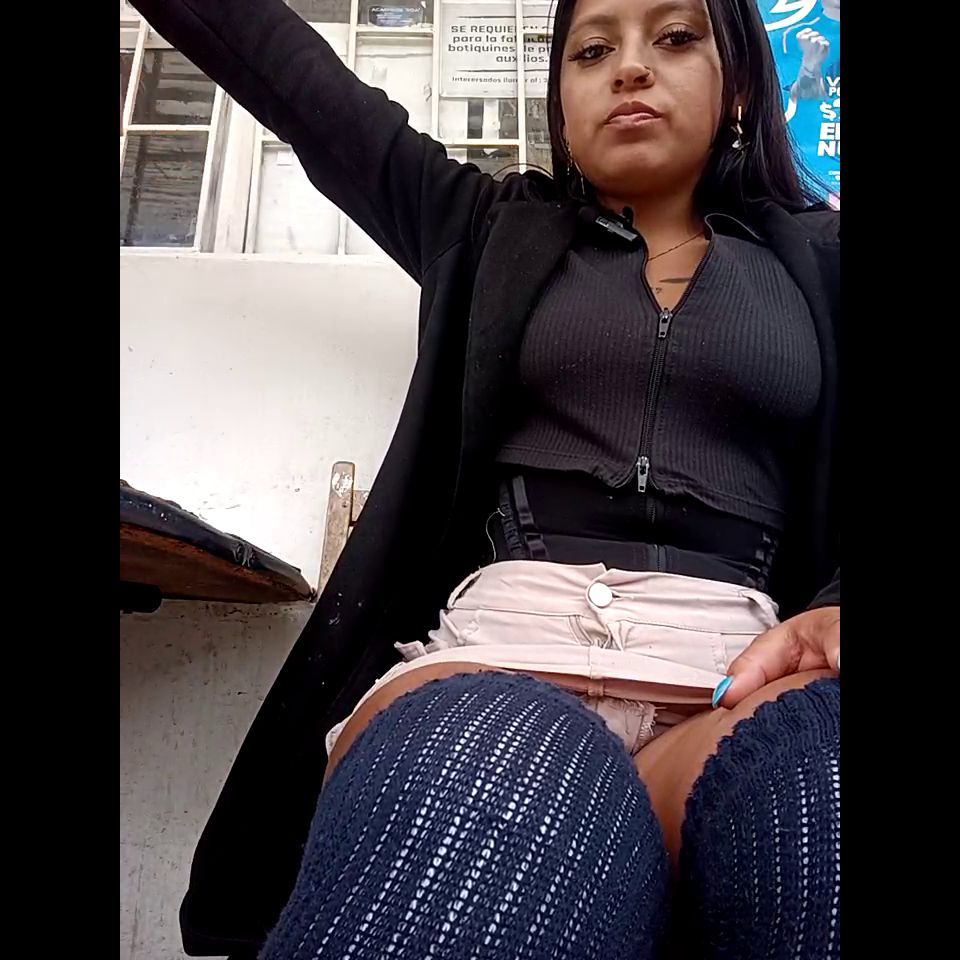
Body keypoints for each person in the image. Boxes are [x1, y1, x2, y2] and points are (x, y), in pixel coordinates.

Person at [130, 1, 840, 957]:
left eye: (675, 38)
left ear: (743, 84)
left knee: (819, 798)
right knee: (486, 787)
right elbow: (292, 79)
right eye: (592, 49)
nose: (629, 67)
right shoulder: (480, 227)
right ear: (560, 97)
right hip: (502, 657)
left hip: (741, 679)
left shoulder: (823, 262)